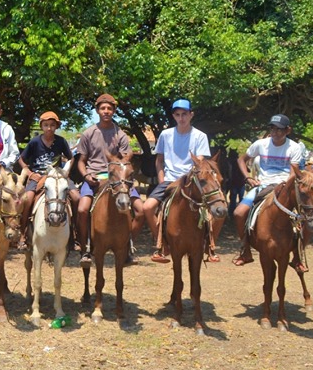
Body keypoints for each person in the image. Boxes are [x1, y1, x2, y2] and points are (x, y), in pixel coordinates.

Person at [138, 99, 211, 263]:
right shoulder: (166, 135)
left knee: (214, 209)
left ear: (191, 115)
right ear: (173, 116)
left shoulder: (200, 136)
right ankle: (161, 243)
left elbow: (199, 162)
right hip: (170, 180)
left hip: (191, 181)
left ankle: (210, 245)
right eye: (177, 115)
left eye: (184, 114)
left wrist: (190, 179)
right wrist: (162, 180)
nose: (181, 118)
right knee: (147, 207)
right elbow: (159, 160)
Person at [73, 93, 139, 268]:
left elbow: (126, 159)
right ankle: (85, 247)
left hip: (119, 178)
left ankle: (128, 246)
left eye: (109, 108)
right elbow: (81, 161)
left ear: (114, 111)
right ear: (97, 111)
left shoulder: (121, 135)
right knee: (82, 208)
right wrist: (87, 176)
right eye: (103, 108)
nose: (106, 111)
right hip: (95, 177)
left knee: (140, 209)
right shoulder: (88, 133)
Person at [232, 114, 306, 270]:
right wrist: (248, 178)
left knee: (304, 216)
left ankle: (298, 256)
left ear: (288, 130)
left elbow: (294, 171)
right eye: (273, 128)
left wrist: (286, 185)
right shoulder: (260, 144)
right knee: (239, 213)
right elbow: (241, 159)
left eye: (280, 129)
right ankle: (245, 250)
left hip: (286, 187)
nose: (276, 132)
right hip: (262, 186)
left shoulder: (294, 147)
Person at [17, 111, 74, 249]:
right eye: (46, 125)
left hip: (58, 177)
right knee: (28, 198)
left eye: (52, 125)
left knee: (76, 197)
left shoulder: (61, 141)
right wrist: (30, 174)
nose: (49, 128)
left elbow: (71, 158)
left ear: (56, 126)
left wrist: (66, 171)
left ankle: (74, 235)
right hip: (39, 177)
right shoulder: (35, 142)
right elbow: (21, 159)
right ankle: (22, 233)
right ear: (42, 126)